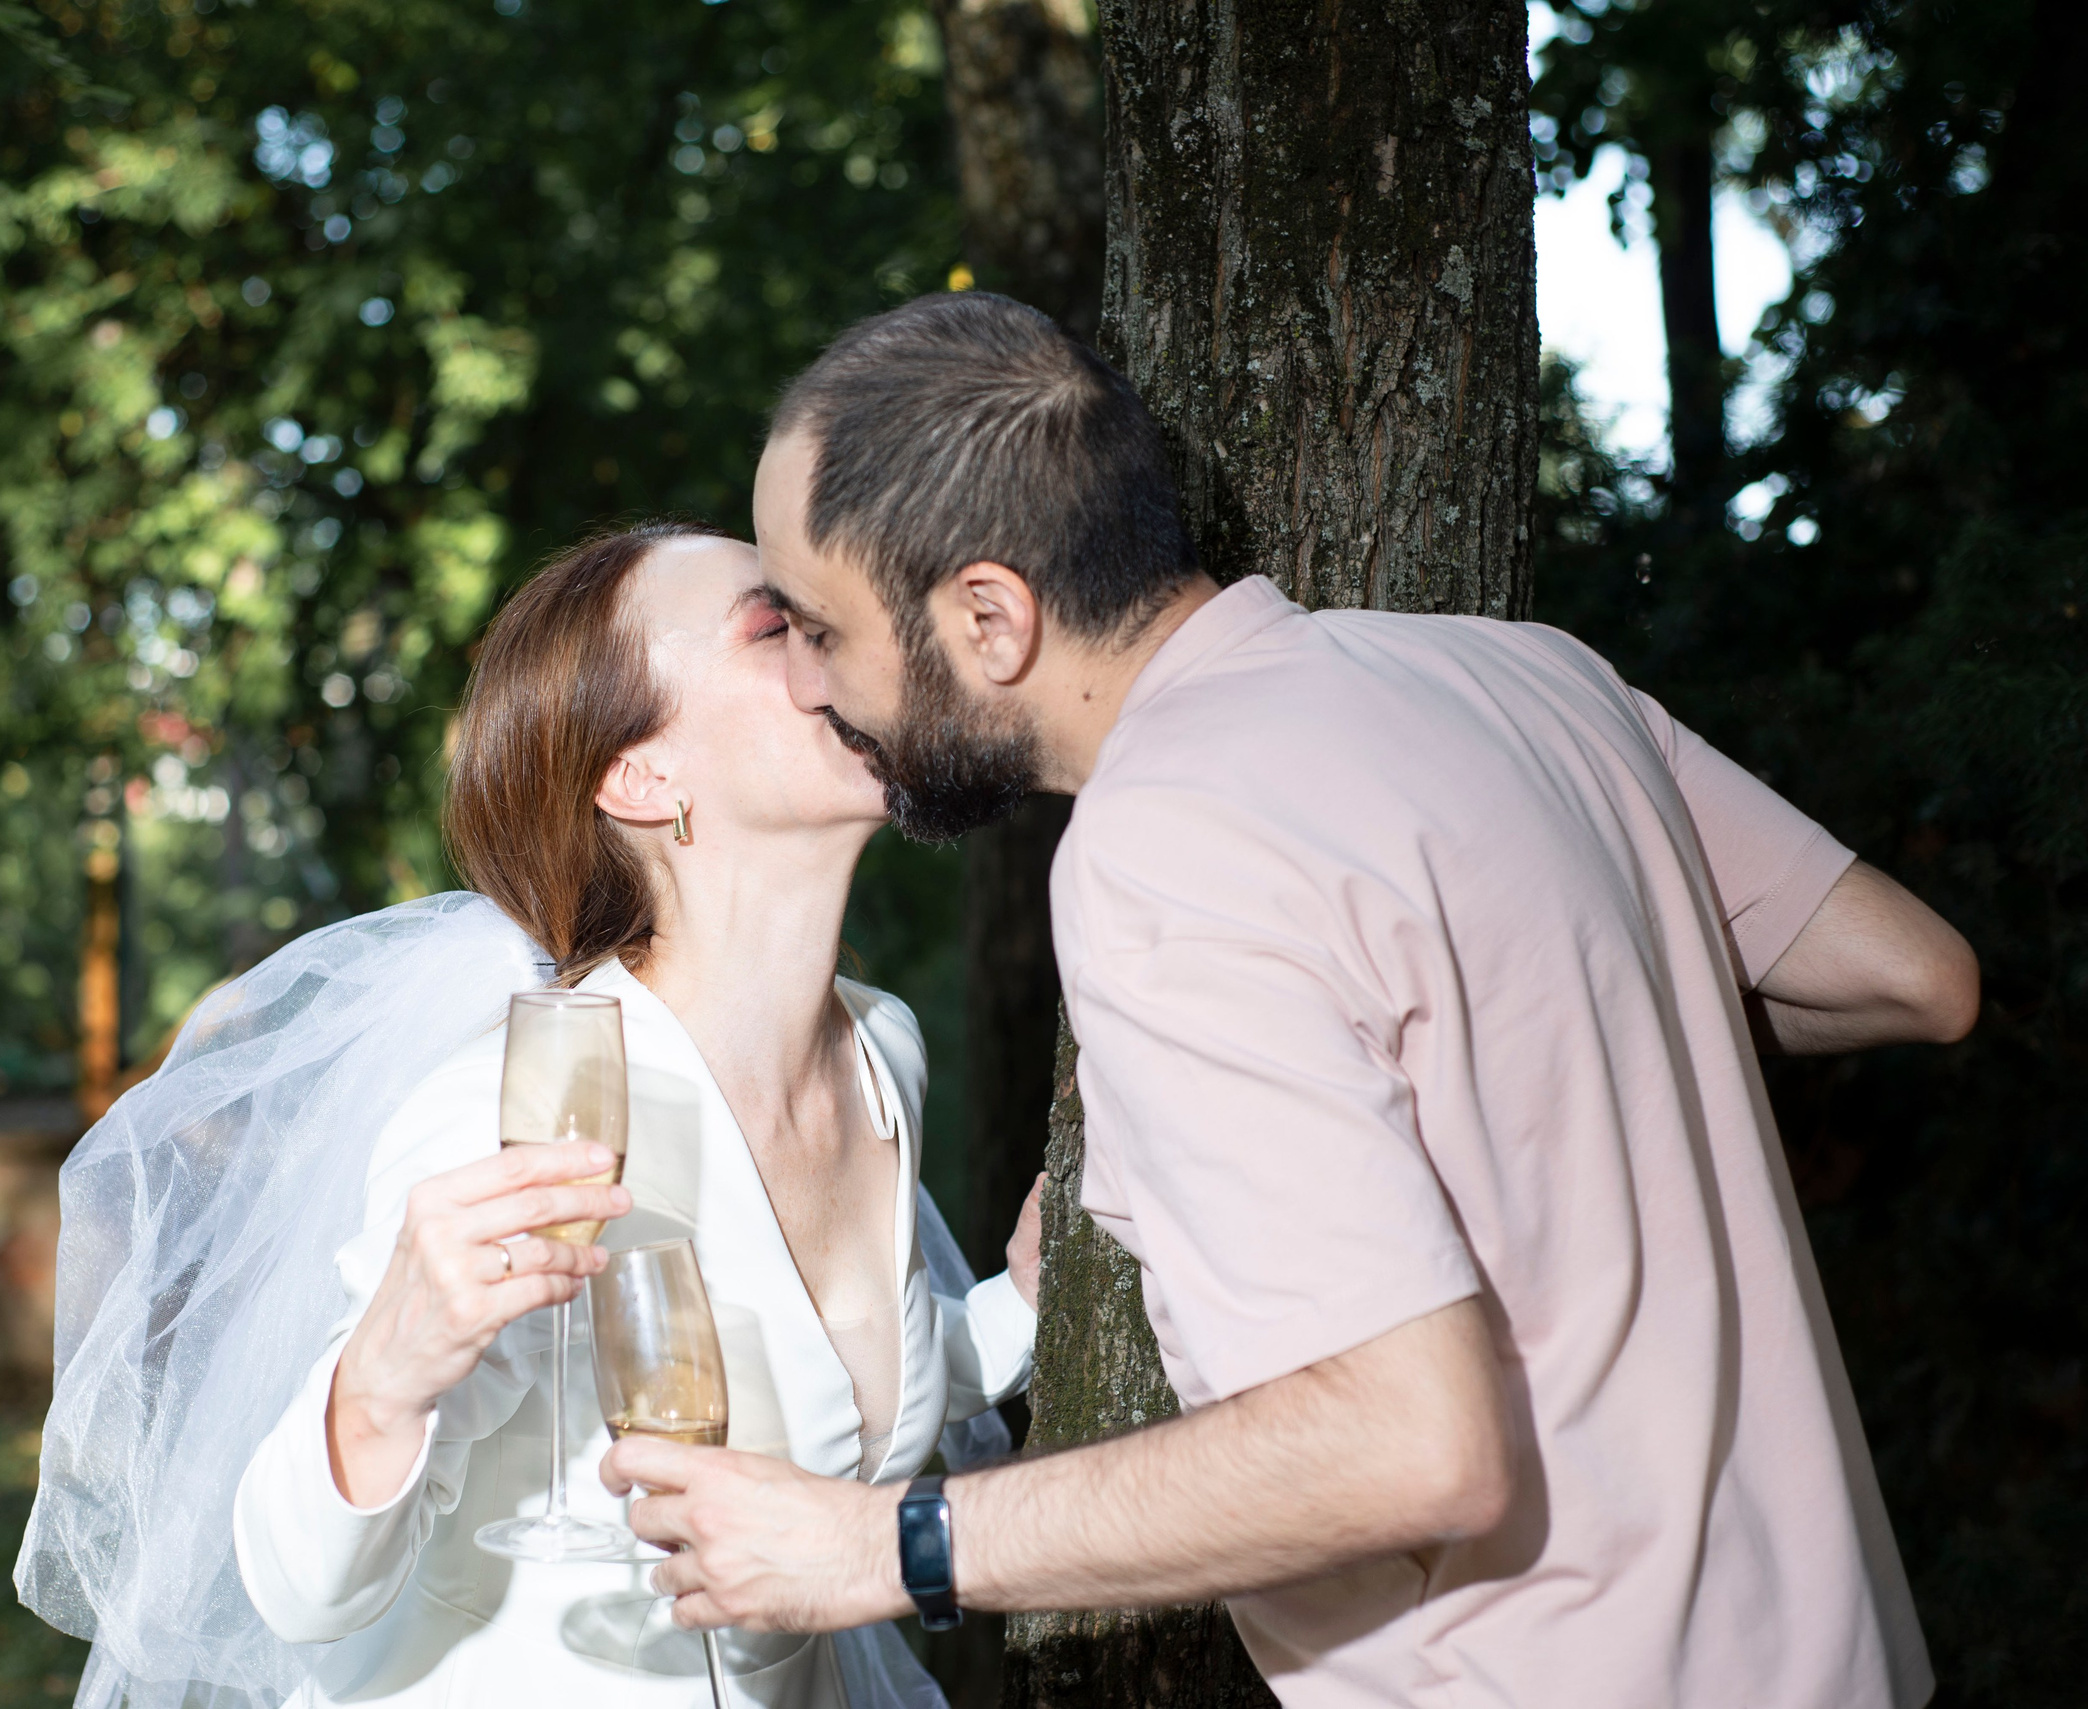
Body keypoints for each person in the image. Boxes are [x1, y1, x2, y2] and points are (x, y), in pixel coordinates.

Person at [603, 294, 1980, 1709]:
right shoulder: (1522, 672)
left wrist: (885, 1545)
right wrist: (1549, 1059)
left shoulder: (1164, 846)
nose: (813, 681)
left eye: (823, 629)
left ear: (989, 618)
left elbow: (1412, 1445)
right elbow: (1910, 973)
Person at [16, 522, 1039, 1709]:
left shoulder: (879, 1048)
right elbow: (300, 1588)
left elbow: (839, 1387)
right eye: (776, 626)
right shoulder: (515, 1105)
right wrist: (382, 1376)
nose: (843, 638)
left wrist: (1021, 1300)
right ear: (641, 778)